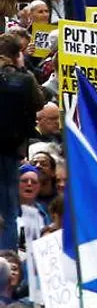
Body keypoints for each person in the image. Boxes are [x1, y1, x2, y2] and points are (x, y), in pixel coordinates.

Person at [0, 34, 44, 251]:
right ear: (17, 55)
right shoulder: (24, 80)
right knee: (8, 210)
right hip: (10, 152)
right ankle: (7, 259)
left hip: (9, 152)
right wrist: (24, 69)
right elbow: (39, 102)